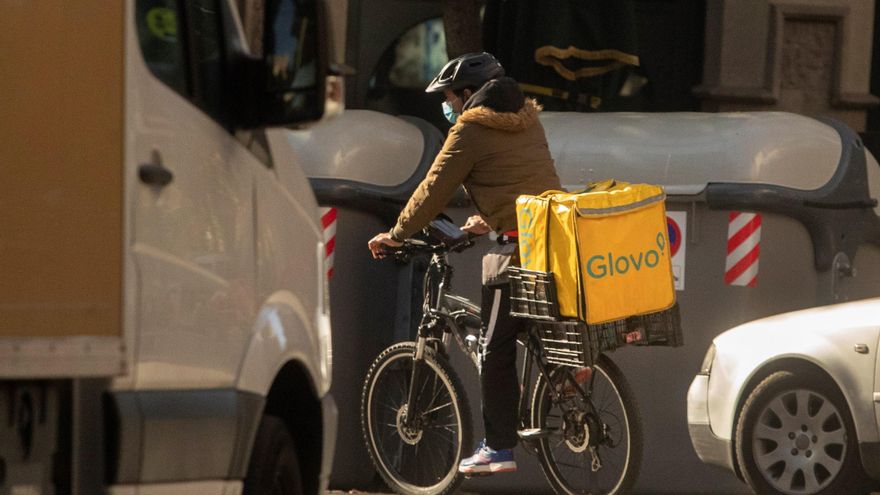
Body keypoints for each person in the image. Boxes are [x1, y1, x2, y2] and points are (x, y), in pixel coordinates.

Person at [368, 52, 562, 476]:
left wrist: (396, 234)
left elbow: (432, 190)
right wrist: (484, 220)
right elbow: (523, 179)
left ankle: (497, 448)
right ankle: (569, 375)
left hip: (515, 253)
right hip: (552, 237)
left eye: (451, 97)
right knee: (525, 329)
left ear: (469, 94)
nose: (449, 106)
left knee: (494, 350)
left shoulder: (471, 130)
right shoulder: (529, 119)